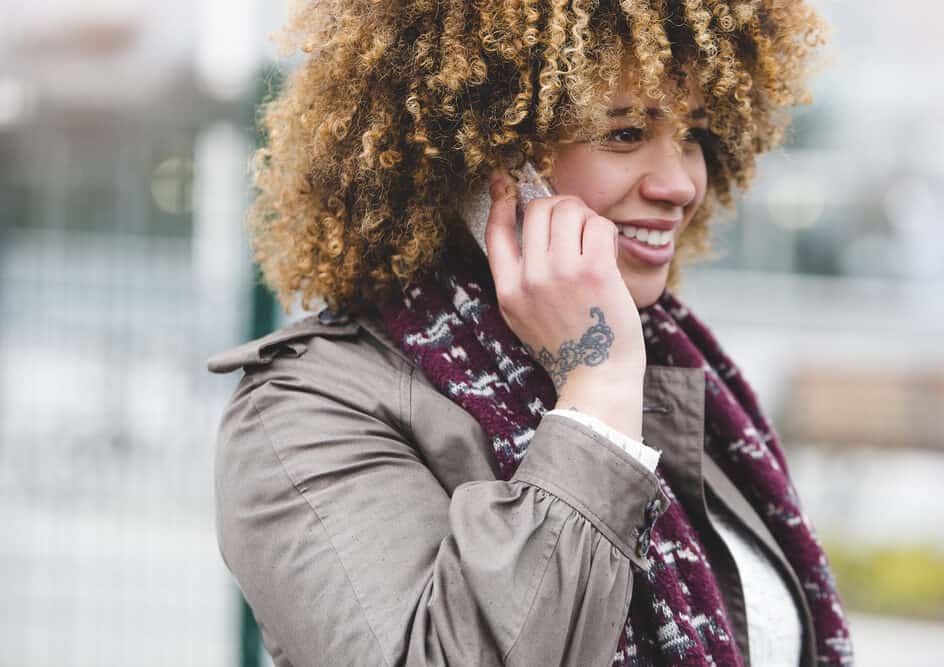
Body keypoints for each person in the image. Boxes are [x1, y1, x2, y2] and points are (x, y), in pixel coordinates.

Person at [207, 1, 853, 665]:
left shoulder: (672, 369)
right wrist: (595, 387)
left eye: (694, 134)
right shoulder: (302, 413)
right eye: (626, 133)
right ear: (486, 151)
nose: (681, 182)